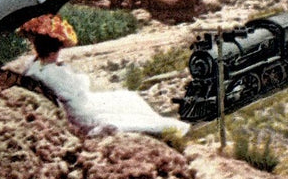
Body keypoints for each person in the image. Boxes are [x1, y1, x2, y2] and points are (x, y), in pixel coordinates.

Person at [18, 13, 190, 137]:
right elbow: (78, 87)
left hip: (78, 105)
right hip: (81, 111)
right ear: (56, 49)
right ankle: (165, 127)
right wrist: (71, 73)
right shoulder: (52, 72)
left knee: (127, 97)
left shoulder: (35, 67)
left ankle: (160, 123)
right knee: (129, 100)